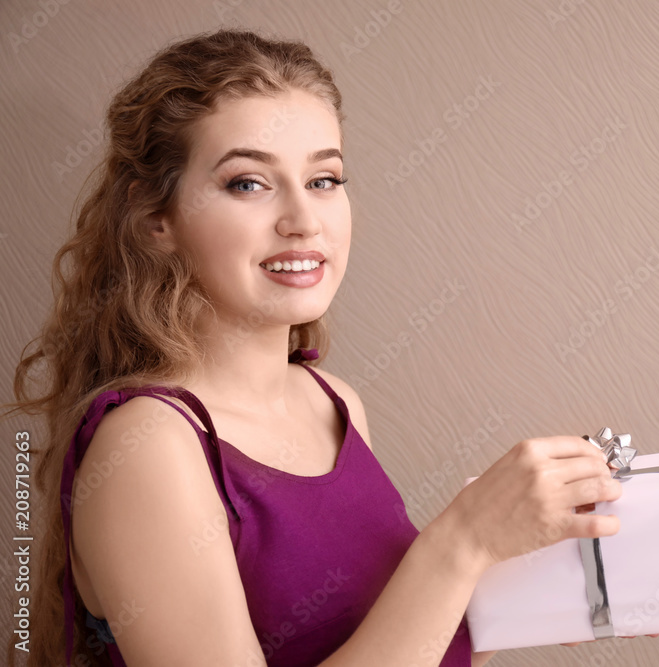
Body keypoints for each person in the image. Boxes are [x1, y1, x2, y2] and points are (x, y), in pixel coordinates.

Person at [2, 27, 626, 667]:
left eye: (325, 179)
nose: (304, 218)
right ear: (155, 217)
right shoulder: (150, 447)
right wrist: (460, 543)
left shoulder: (336, 404)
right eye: (248, 183)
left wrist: (512, 587)